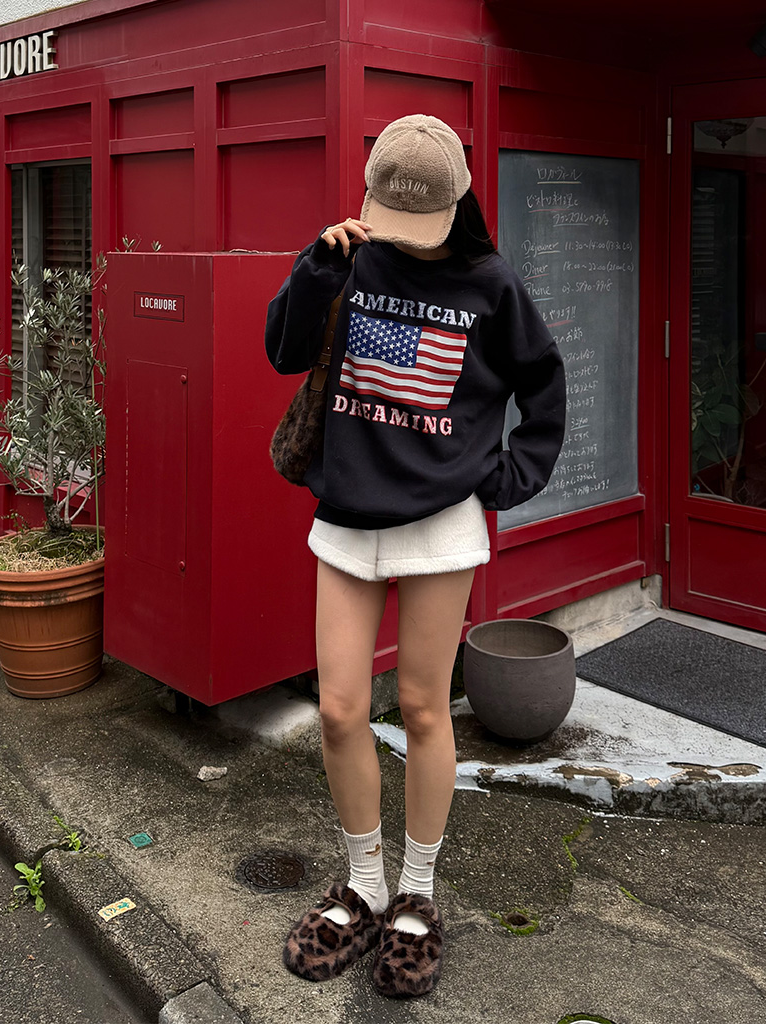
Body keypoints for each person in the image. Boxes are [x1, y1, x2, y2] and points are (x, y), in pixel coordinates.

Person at [265, 114, 566, 998]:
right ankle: (364, 885)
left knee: (429, 711)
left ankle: (417, 896)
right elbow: (283, 351)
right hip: (348, 511)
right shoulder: (349, 259)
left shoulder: (491, 284)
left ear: (456, 202)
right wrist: (316, 270)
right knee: (339, 709)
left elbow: (543, 384)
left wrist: (507, 476)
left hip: (441, 522)